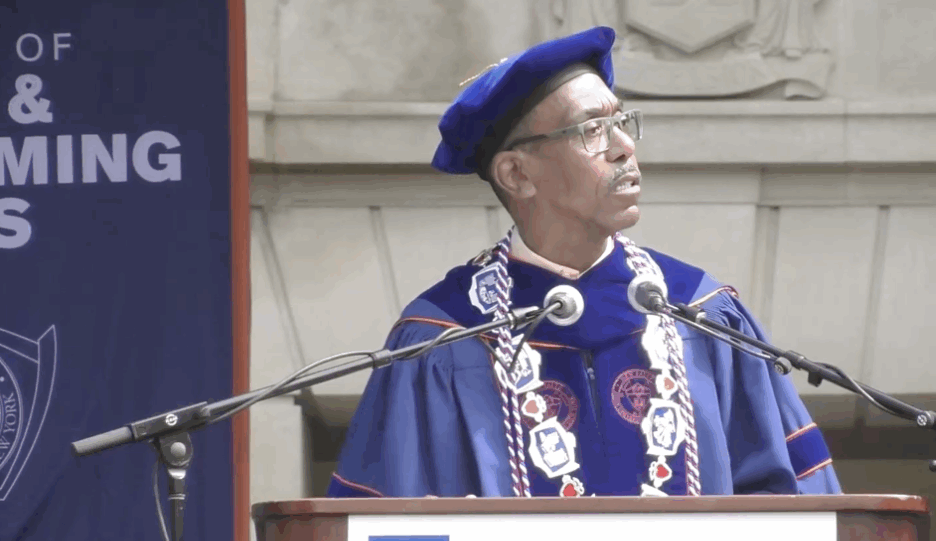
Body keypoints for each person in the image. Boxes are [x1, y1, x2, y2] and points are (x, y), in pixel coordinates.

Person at [326, 26, 841, 498]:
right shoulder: (442, 338)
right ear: (516, 174)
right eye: (593, 129)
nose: (624, 149)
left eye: (622, 122)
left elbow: (799, 513)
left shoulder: (703, 315)